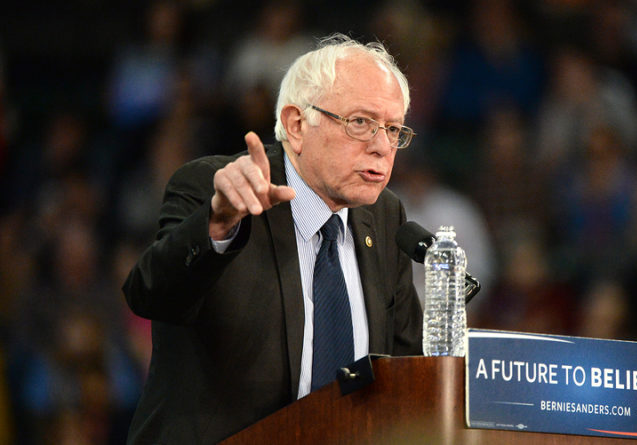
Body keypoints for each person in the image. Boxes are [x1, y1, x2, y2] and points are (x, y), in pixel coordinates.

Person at [122, 34, 423, 444]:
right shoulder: (216, 189)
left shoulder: (386, 218)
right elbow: (151, 295)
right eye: (360, 123)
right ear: (297, 125)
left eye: (393, 129)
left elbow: (407, 368)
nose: (382, 147)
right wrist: (218, 223)